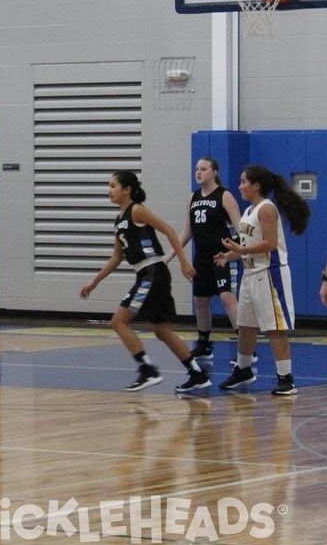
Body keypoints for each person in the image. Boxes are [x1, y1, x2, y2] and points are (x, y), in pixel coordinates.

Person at [79, 171, 210, 393]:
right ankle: (197, 374)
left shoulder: (137, 210)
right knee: (162, 330)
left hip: (153, 271)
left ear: (127, 189)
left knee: (118, 321)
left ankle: (147, 370)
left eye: (113, 186)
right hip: (146, 273)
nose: (108, 190)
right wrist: (95, 282)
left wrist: (183, 262)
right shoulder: (119, 220)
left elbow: (168, 229)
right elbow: (116, 257)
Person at [215, 165, 310, 396]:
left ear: (256, 186)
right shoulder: (249, 211)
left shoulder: (267, 209)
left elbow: (270, 244)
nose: (239, 186)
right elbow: (247, 247)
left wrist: (240, 249)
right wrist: (230, 255)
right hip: (251, 274)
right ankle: (244, 370)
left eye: (243, 182)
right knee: (245, 325)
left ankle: (286, 378)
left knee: (274, 328)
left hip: (270, 273)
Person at [163, 157, 241, 359]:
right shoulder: (193, 198)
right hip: (202, 256)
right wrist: (170, 255)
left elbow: (241, 228)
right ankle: (204, 344)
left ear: (214, 172)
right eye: (197, 169)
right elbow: (187, 231)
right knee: (200, 300)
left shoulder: (225, 196)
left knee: (227, 297)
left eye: (203, 169)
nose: (198, 172)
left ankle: (246, 347)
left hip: (222, 254)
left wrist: (239, 251)